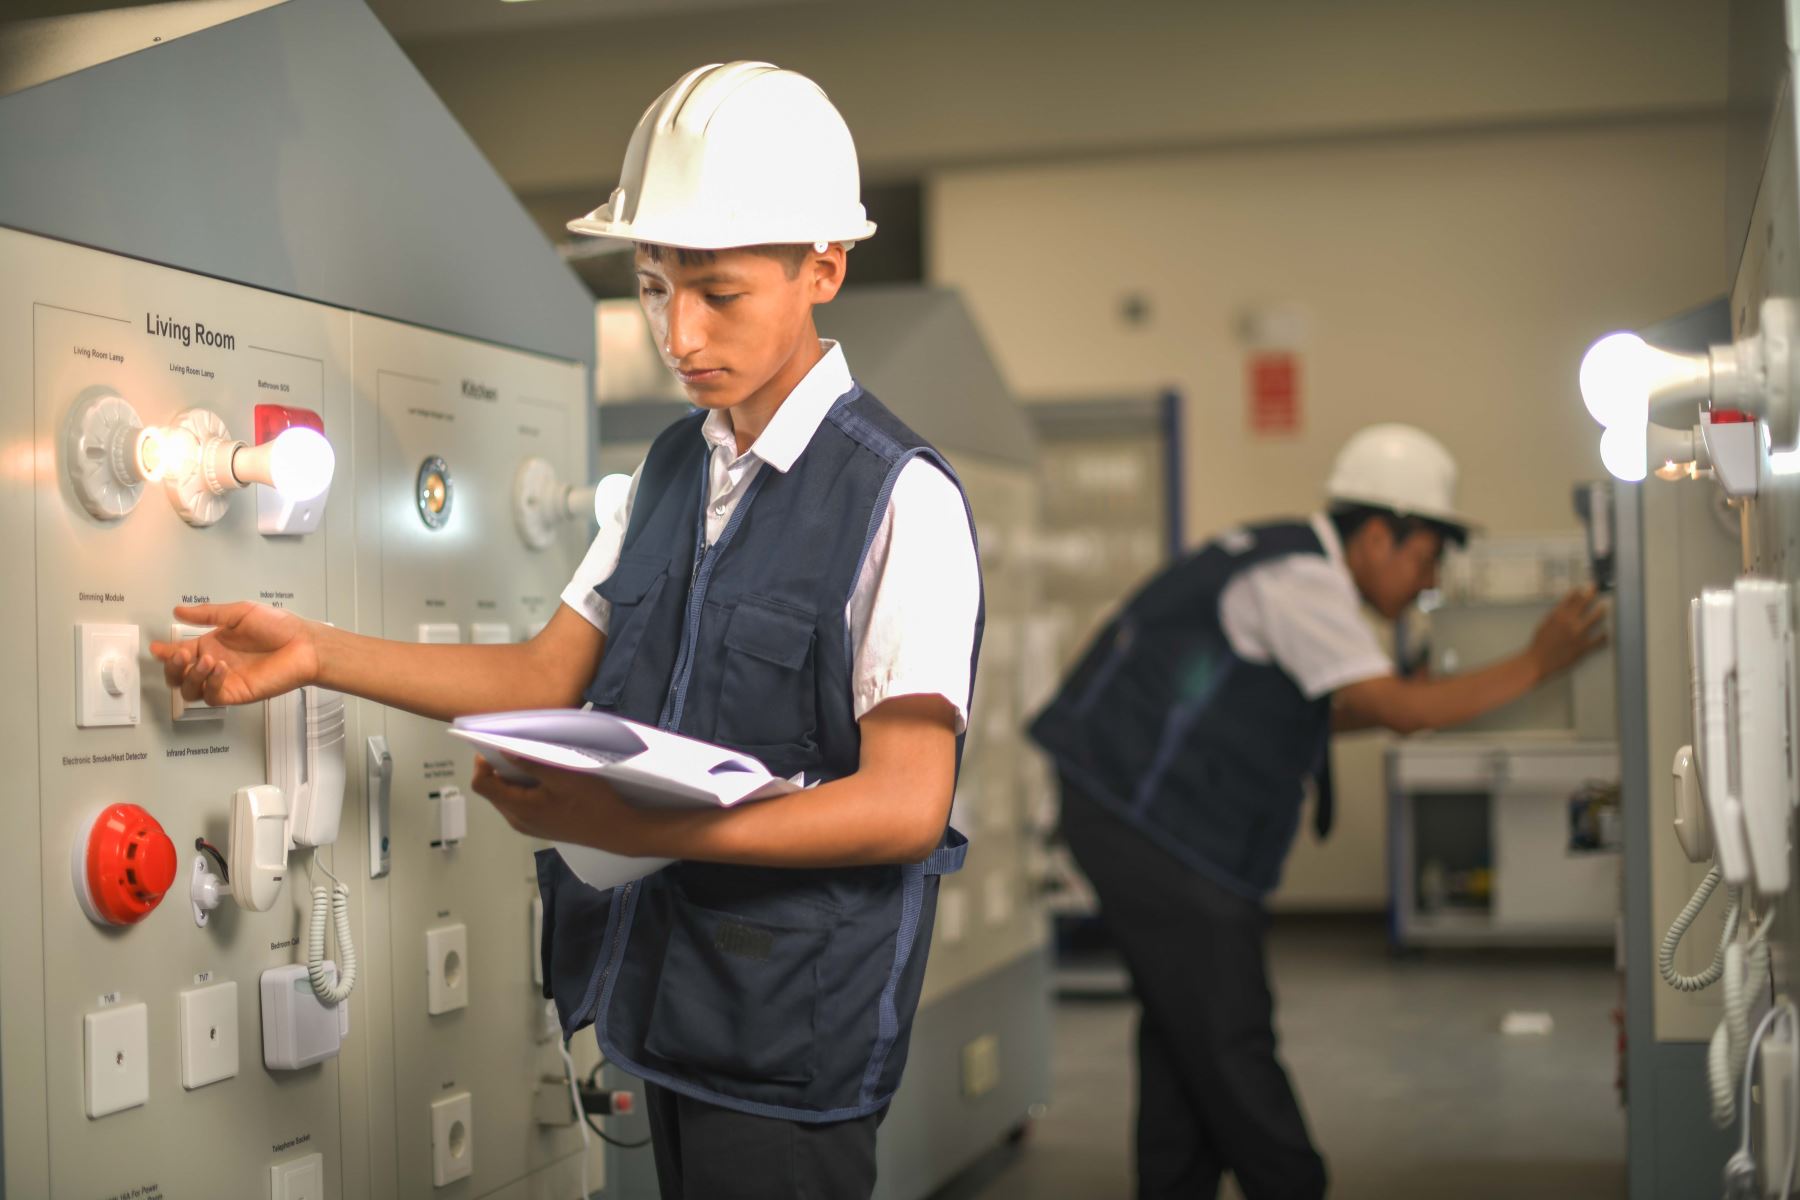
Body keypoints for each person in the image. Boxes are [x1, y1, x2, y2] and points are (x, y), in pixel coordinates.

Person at [151, 61, 982, 1200]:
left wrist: (638, 828)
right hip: (658, 1003)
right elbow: (549, 669)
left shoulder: (901, 500)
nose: (679, 332)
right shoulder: (680, 468)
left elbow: (905, 802)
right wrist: (313, 650)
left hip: (792, 1036)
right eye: (652, 287)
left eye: (719, 292)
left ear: (822, 267)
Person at [1027, 423, 1606, 1200]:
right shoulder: (1302, 580)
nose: (1429, 581)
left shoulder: (1289, 562)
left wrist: (1438, 691)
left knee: (1184, 1025)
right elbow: (1394, 709)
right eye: (1428, 555)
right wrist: (1538, 663)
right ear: (1377, 535)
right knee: (1229, 1029)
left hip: (1137, 812)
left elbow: (1310, 711)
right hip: (1145, 821)